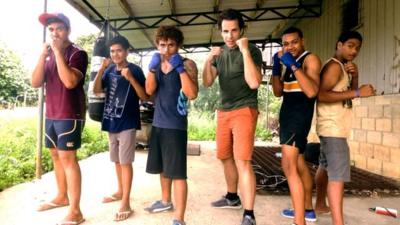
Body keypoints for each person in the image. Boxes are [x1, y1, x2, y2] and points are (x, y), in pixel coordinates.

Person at [202, 8, 263, 225]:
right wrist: (209, 59)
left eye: (234, 30)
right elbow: (207, 82)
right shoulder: (220, 54)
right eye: (225, 31)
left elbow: (254, 82)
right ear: (220, 32)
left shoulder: (253, 50)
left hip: (245, 109)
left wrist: (245, 51)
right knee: (224, 156)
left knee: (242, 160)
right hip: (224, 111)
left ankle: (249, 213)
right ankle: (231, 196)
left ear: (242, 30)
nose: (230, 36)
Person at [31, 13, 88, 225]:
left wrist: (56, 51)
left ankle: (76, 211)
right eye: (51, 30)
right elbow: (36, 82)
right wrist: (41, 56)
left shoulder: (77, 53)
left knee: (68, 159)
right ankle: (62, 196)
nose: (55, 33)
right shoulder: (47, 56)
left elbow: (70, 81)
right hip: (52, 114)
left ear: (68, 30)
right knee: (56, 156)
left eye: (59, 29)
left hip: (69, 113)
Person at [315, 31, 375, 225]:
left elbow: (345, 95)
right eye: (350, 45)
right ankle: (338, 222)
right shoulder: (333, 67)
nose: (354, 50)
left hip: (331, 127)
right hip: (333, 128)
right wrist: (358, 92)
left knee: (325, 166)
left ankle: (320, 204)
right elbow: (322, 95)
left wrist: (354, 77)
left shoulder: (341, 67)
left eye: (357, 47)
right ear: (339, 44)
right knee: (338, 176)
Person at [144, 25, 198, 225]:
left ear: (179, 45)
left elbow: (192, 93)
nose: (166, 50)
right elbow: (149, 90)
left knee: (177, 173)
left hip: (176, 126)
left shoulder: (188, 63)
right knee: (163, 168)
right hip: (158, 123)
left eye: (171, 45)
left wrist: (180, 69)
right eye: (162, 45)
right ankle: (166, 201)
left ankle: (179, 218)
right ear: (157, 45)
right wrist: (151, 68)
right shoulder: (156, 64)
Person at [92, 35, 148, 221]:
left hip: (127, 122)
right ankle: (120, 190)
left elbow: (145, 96)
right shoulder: (108, 70)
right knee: (116, 161)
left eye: (119, 50)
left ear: (126, 51)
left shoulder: (135, 70)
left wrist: (131, 78)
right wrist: (100, 70)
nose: (115, 54)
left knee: (125, 162)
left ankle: (126, 201)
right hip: (111, 121)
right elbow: (97, 90)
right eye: (112, 51)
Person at [271, 27, 321, 225]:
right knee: (299, 166)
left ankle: (298, 221)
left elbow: (311, 92)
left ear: (303, 41)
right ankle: (307, 210)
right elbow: (277, 92)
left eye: (294, 42)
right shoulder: (290, 63)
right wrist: (276, 68)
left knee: (289, 167)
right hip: (289, 118)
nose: (290, 46)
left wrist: (292, 66)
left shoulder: (310, 59)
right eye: (285, 43)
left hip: (298, 119)